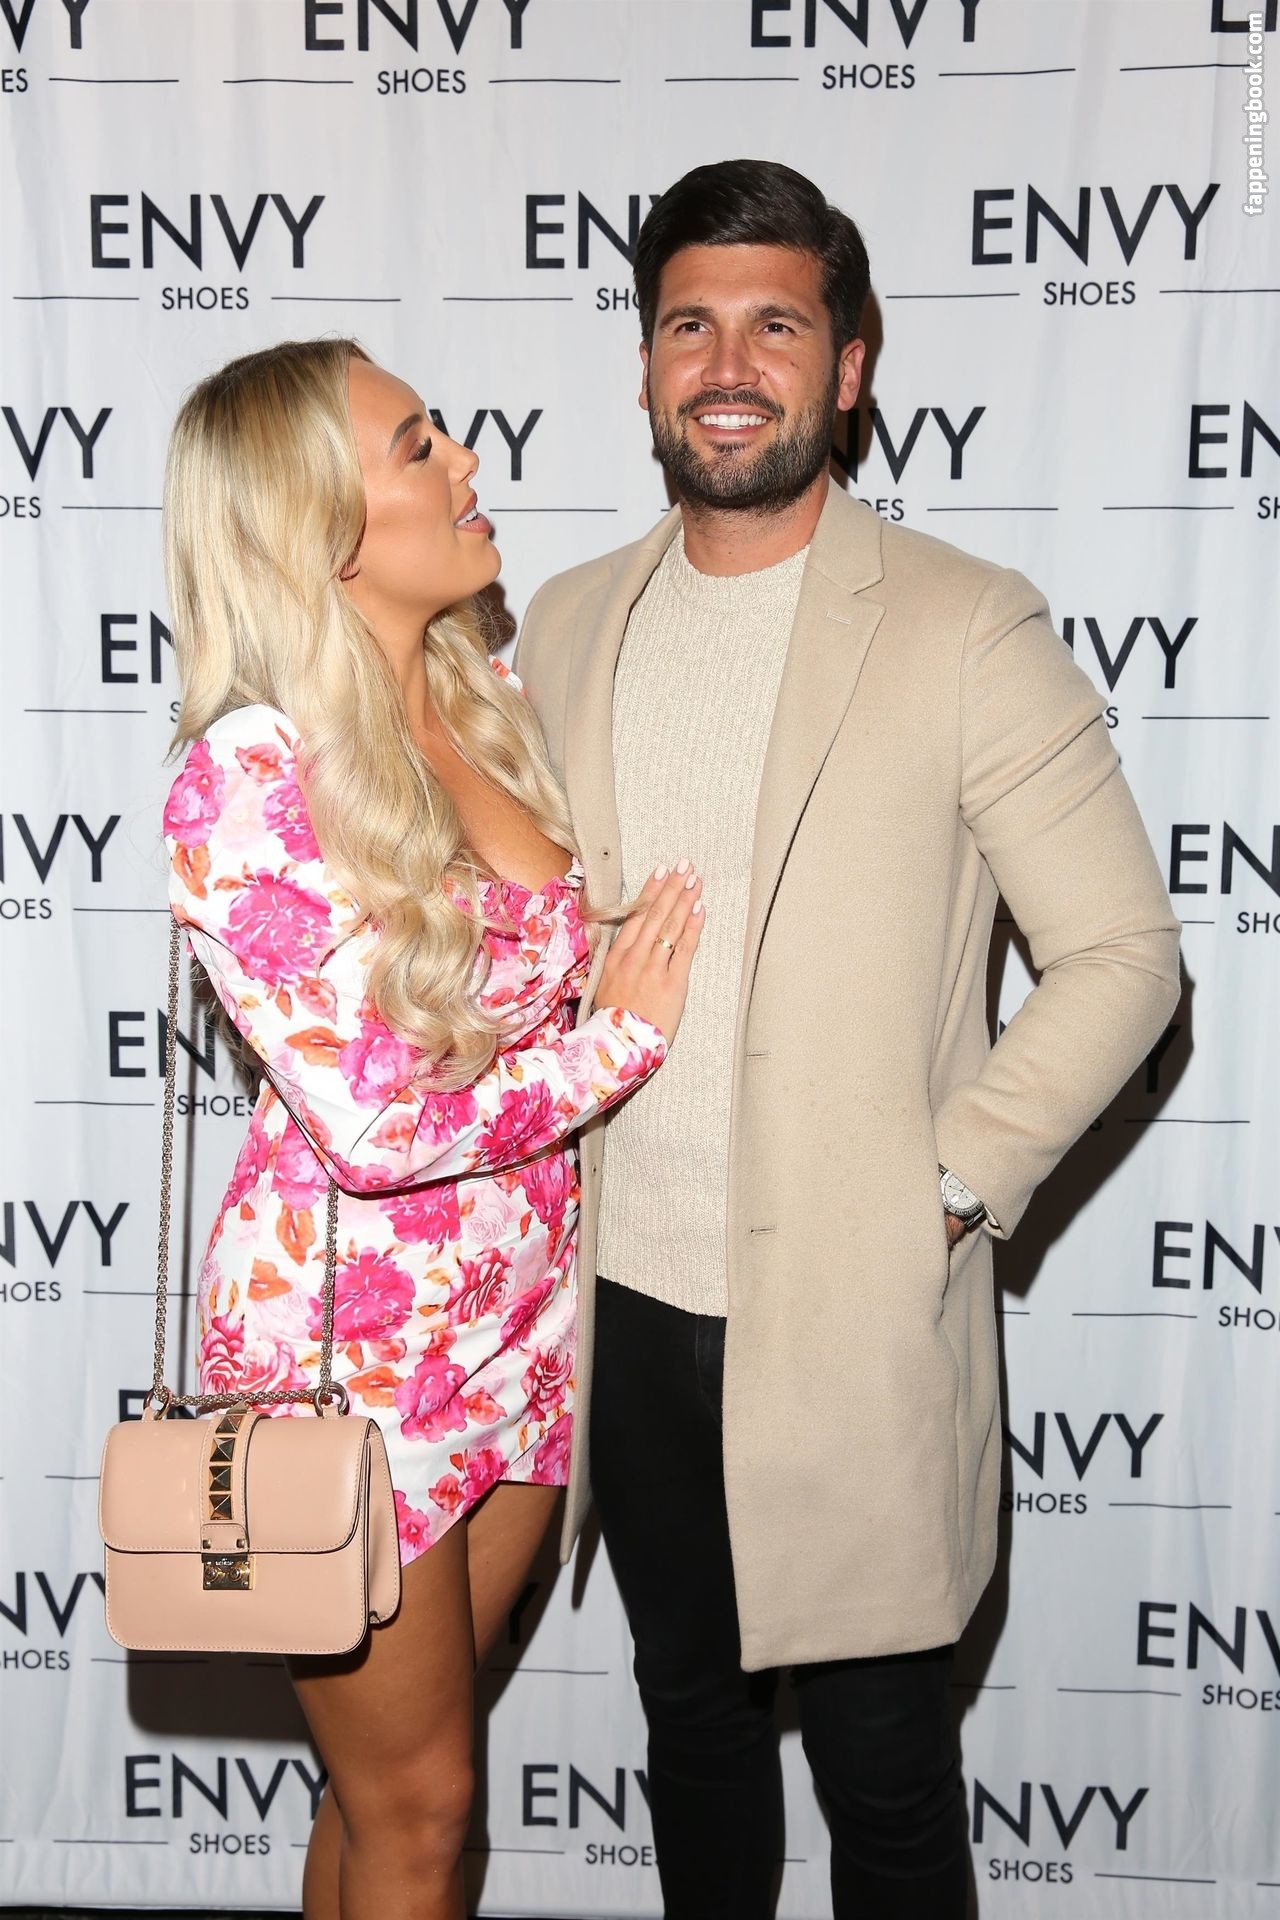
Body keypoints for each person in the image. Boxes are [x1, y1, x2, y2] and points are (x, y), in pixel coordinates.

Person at [514, 160, 1182, 1919]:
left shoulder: (964, 621)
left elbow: (1123, 954)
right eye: (690, 326)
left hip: (856, 1320)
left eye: (777, 327)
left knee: (887, 1788)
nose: (729, 367)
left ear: (851, 363)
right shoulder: (563, 622)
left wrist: (946, 1188)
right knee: (691, 1736)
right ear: (645, 362)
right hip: (625, 1313)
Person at [160, 337, 703, 1920]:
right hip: (355, 1359)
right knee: (426, 1809)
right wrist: (622, 1044)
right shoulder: (248, 775)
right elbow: (378, 1127)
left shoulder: (488, 694)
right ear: (320, 526)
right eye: (417, 446)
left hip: (525, 1326)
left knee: (391, 1795)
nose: (466, 461)